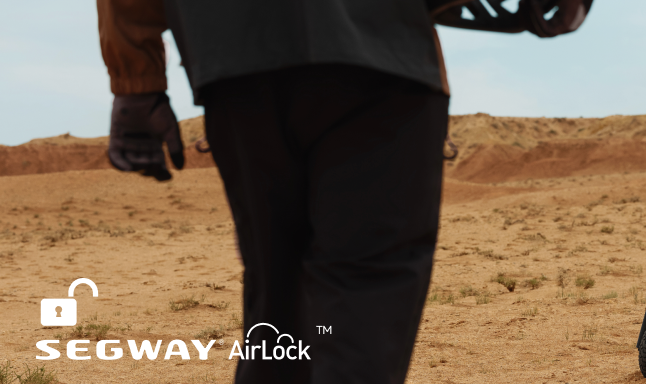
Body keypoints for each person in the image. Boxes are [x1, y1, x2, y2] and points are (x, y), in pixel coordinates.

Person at [97, 1, 592, 382]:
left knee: (277, 297)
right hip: (379, 51)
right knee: (366, 295)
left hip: (237, 59)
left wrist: (135, 82)